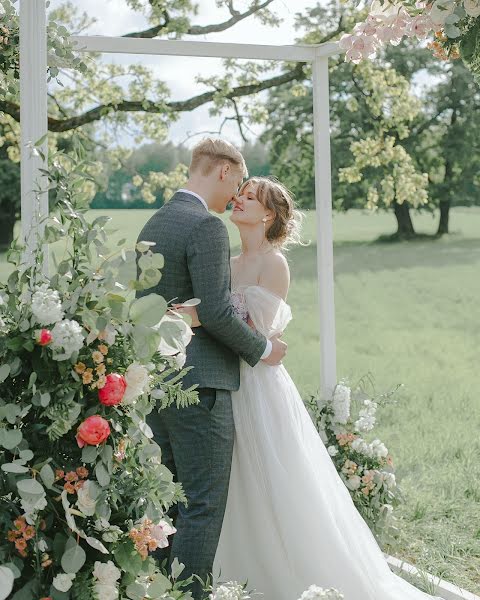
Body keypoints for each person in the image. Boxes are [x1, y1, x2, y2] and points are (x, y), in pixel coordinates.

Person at [179, 176, 443, 600]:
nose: (239, 199)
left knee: (274, 478)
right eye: (240, 193)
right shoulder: (226, 261)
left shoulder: (273, 263)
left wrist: (209, 319)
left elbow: (255, 332)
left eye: (250, 197)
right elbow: (223, 320)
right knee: (234, 481)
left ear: (268, 214)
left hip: (260, 387)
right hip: (226, 379)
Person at [135, 138, 287, 600]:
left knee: (171, 502)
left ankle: (159, 591)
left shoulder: (156, 220)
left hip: (159, 384)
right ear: (222, 171)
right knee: (202, 504)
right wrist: (262, 349)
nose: (235, 195)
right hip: (201, 384)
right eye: (237, 182)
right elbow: (218, 313)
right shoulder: (205, 226)